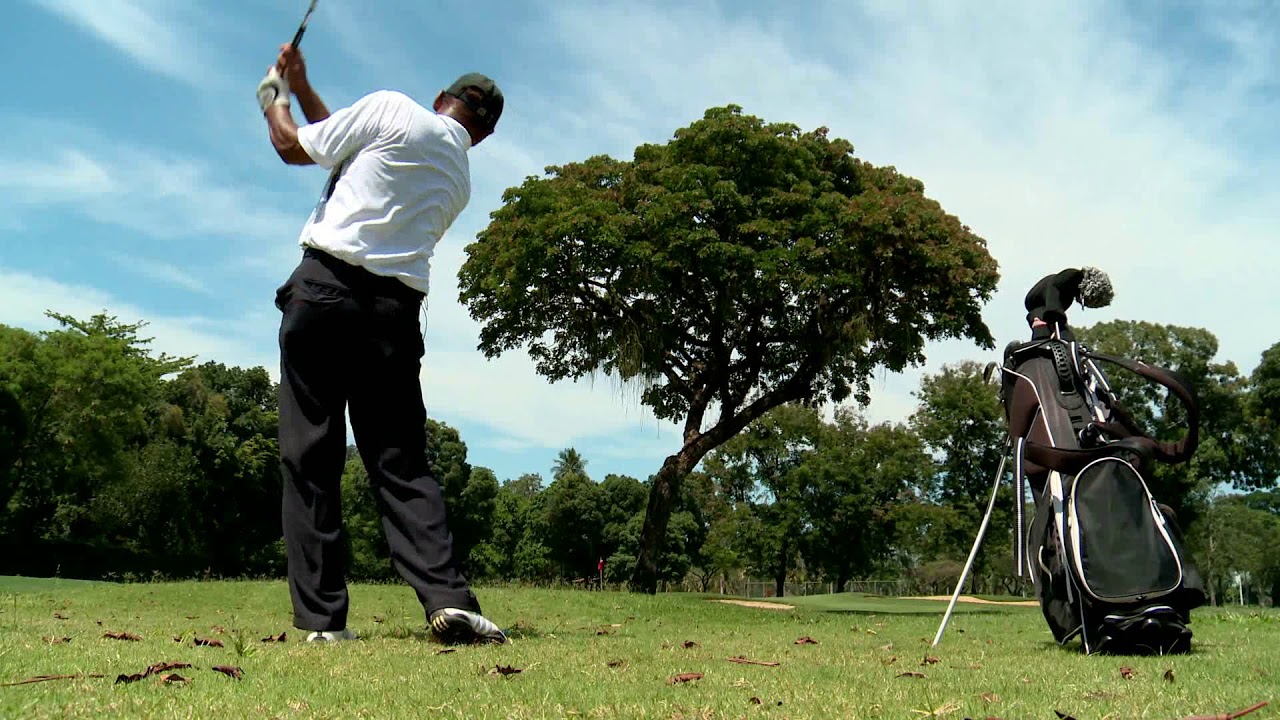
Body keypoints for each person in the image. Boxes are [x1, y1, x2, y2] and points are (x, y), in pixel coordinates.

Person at [255, 43, 506, 645]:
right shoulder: (459, 176)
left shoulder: (394, 108)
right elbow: (346, 142)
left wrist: (274, 98)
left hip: (325, 292)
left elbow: (297, 148)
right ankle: (448, 599)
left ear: (441, 99)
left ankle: (323, 623)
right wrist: (306, 85)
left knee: (311, 455)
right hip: (393, 316)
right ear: (483, 133)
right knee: (401, 464)